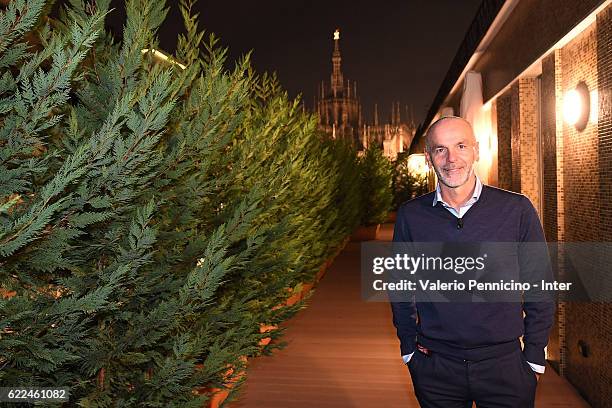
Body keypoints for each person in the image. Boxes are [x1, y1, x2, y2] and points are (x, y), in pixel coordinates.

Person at [390, 116, 555, 407]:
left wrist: (533, 358)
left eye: (461, 146)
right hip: (436, 367)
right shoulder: (411, 216)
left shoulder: (516, 209)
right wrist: (409, 351)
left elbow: (540, 286)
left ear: (476, 150)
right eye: (440, 149)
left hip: (506, 368)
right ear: (429, 158)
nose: (451, 158)